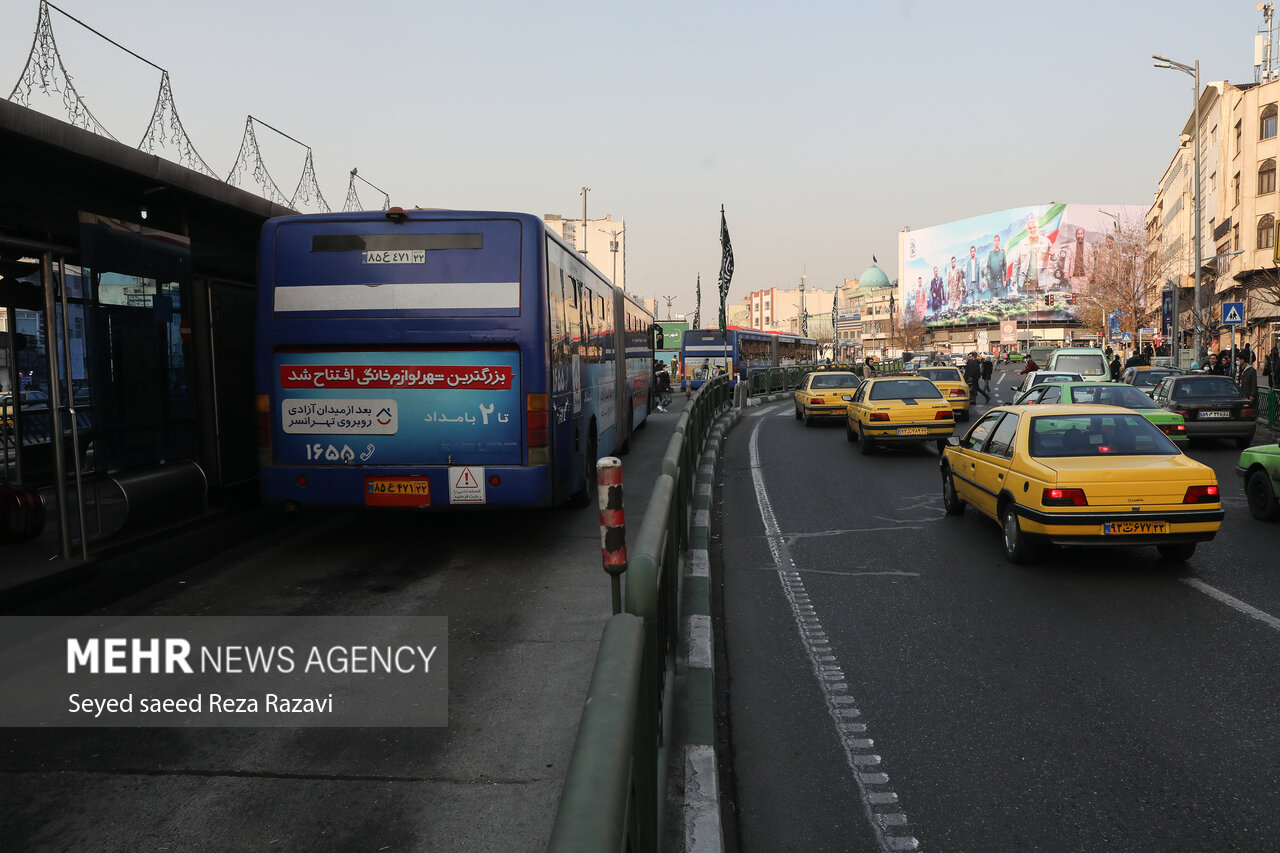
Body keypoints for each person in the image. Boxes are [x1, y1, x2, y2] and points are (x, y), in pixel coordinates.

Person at [1012, 214, 1054, 295]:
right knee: (1027, 305)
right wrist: (1014, 278)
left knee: (1043, 304)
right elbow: (1016, 262)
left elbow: (1054, 259)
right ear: (1027, 229)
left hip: (1041, 280)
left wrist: (1053, 255)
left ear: (1037, 228)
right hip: (1027, 280)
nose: (1032, 230)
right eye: (1030, 228)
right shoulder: (1022, 243)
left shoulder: (1046, 241)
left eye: (1034, 227)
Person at [1061, 227, 1094, 294]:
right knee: (1075, 295)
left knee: (1085, 294)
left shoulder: (1088, 245)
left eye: (1081, 234)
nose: (1080, 236)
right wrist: (1066, 272)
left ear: (1083, 235)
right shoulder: (1071, 246)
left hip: (1085, 275)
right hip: (1074, 275)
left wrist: (1091, 271)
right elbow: (1067, 259)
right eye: (1078, 234)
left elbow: (1091, 260)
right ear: (1076, 235)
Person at [986, 235, 1008, 299]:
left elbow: (1004, 268)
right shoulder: (990, 254)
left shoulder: (1002, 253)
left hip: (1000, 283)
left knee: (1000, 302)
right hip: (992, 283)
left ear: (999, 242)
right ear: (993, 242)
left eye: (997, 240)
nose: (996, 242)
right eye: (995, 241)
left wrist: (1004, 280)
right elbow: (988, 268)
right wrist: (987, 279)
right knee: (992, 302)